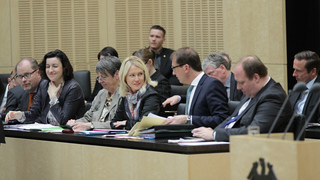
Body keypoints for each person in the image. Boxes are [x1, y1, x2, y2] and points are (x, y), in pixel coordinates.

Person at [192, 55, 293, 141]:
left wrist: (215, 135)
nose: (238, 87)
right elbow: (231, 119)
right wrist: (212, 132)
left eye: (241, 82)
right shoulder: (251, 92)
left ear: (256, 78)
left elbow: (255, 131)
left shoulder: (273, 97)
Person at [5, 49, 85, 125]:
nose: (50, 70)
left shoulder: (73, 88)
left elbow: (62, 120)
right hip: (46, 133)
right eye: (47, 66)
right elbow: (34, 113)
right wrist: (18, 115)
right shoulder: (44, 85)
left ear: (64, 68)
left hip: (69, 135)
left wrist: (53, 97)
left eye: (55, 66)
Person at [162, 47, 229, 129]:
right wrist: (179, 98)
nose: (173, 73)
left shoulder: (212, 84)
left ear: (186, 68)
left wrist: (188, 119)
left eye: (174, 68)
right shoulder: (195, 86)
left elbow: (221, 119)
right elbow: (199, 99)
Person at [67, 56, 122, 131]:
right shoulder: (101, 94)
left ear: (117, 74)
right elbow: (88, 117)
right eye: (98, 77)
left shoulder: (125, 95)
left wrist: (92, 125)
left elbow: (117, 123)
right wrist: (75, 123)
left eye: (103, 77)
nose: (99, 81)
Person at [111, 56, 160, 130]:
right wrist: (128, 124)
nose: (137, 79)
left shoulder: (151, 96)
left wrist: (126, 123)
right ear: (125, 78)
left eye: (140, 74)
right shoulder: (127, 96)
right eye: (132, 75)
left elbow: (144, 124)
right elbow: (114, 123)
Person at [133, 48, 171, 114]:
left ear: (150, 62)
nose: (138, 69)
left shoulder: (162, 81)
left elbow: (163, 106)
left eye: (141, 65)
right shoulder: (139, 80)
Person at [289, 50, 320, 123]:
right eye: (294, 70)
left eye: (298, 71)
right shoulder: (296, 89)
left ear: (313, 71)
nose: (294, 74)